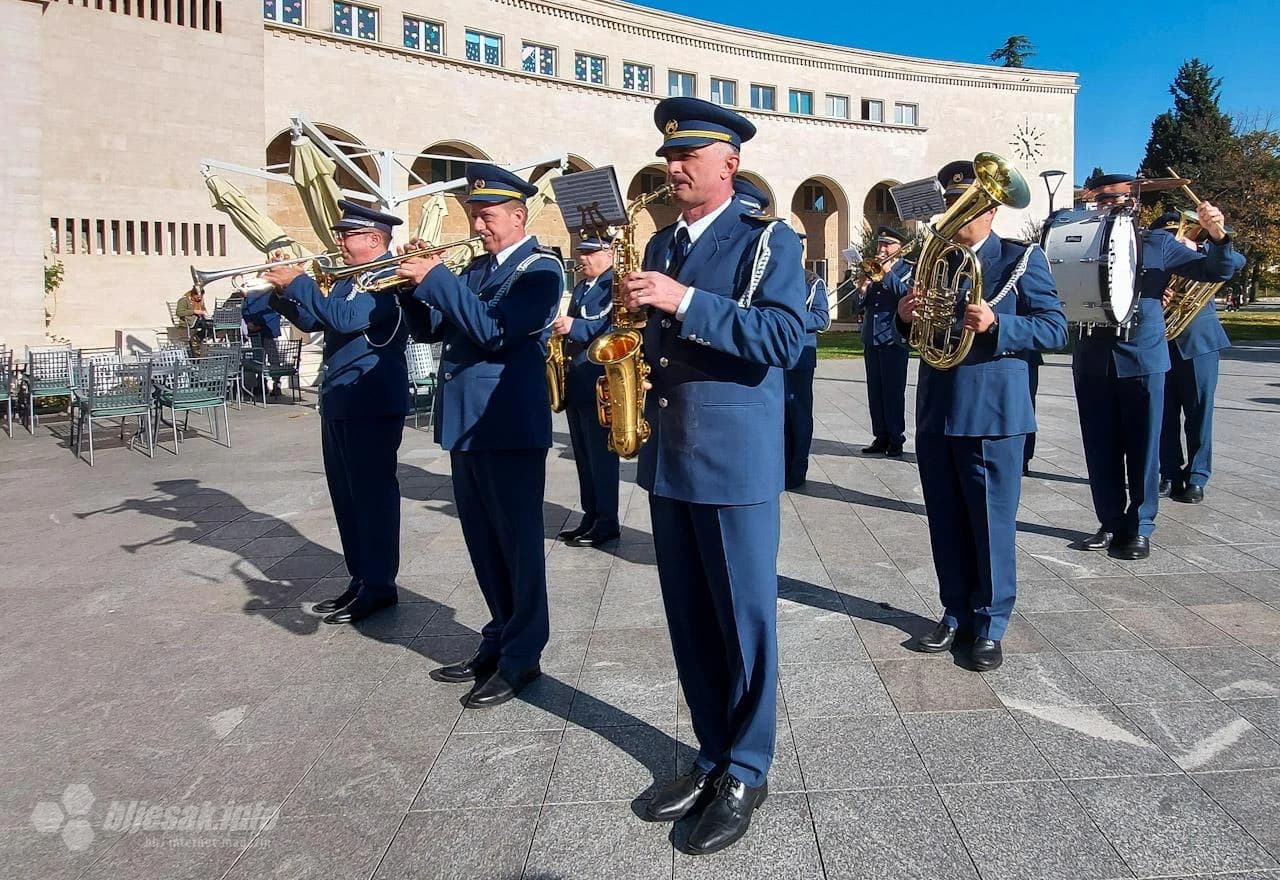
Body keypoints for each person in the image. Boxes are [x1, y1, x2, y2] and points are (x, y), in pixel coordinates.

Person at [619, 96, 806, 855]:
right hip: (671, 454)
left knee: (745, 621)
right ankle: (710, 752)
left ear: (729, 165)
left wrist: (686, 300)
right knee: (691, 618)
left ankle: (748, 767)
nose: (673, 166)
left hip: (732, 457)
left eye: (688, 157)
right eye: (668, 156)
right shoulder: (660, 241)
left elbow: (787, 337)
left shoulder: (769, 241)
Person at [395, 163, 563, 709]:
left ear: (519, 215)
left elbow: (494, 332)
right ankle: (498, 638)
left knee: (517, 546)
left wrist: (437, 279)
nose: (479, 225)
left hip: (509, 426)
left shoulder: (540, 271)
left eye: (487, 216)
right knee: (484, 545)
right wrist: (410, 286)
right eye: (474, 215)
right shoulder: (476, 270)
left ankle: (523, 657)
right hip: (467, 427)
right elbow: (435, 328)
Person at [898, 159, 1067, 672]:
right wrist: (906, 318)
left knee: (991, 524)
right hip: (938, 412)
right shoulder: (935, 260)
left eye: (965, 204)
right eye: (949, 202)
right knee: (945, 521)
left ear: (990, 210)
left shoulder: (1020, 258)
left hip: (994, 416)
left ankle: (991, 624)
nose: (953, 212)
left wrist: (1000, 323)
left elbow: (1056, 329)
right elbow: (923, 333)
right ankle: (955, 612)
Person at [1073, 173, 1241, 559]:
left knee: (1145, 447)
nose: (1105, 206)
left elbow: (1217, 271)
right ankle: (1110, 522)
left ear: (1132, 202)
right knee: (1100, 448)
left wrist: (1218, 238)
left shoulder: (1158, 243)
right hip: (1092, 361)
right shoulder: (1078, 243)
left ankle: (1141, 525)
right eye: (1099, 201)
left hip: (1143, 358)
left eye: (1114, 199)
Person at [262, 199, 410, 625]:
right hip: (342, 398)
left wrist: (301, 281)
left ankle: (381, 584)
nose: (339, 242)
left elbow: (346, 319)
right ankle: (361, 577)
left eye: (347, 235)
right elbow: (316, 322)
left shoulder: (387, 277)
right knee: (346, 496)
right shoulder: (352, 278)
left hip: (372, 399)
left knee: (372, 496)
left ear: (374, 239)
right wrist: (282, 290)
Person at [1156, 211, 1245, 504]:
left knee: (1199, 411)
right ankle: (1169, 472)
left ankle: (1197, 476)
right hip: (1159, 341)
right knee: (1163, 414)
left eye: (1181, 234)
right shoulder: (1155, 255)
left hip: (1198, 342)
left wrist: (1206, 246)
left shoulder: (1204, 254)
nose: (1178, 239)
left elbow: (1235, 262)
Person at [554, 235, 621, 548]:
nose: (582, 258)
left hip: (600, 383)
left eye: (590, 252)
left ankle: (607, 520)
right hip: (578, 380)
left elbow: (615, 329)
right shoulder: (582, 287)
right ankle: (590, 514)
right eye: (581, 252)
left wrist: (574, 327)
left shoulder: (615, 285)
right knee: (583, 454)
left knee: (601, 456)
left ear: (608, 253)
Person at [857, 227, 912, 457]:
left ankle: (896, 439)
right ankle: (880, 436)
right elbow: (861, 307)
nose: (881, 249)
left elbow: (907, 296)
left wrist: (888, 273)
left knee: (893, 392)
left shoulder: (907, 269)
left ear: (898, 247)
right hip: (872, 338)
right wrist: (862, 290)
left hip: (893, 340)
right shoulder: (872, 271)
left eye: (887, 244)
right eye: (880, 244)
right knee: (875, 391)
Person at [241, 290, 283, 398]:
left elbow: (277, 308)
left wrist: (251, 322)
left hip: (265, 327)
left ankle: (270, 384)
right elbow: (245, 307)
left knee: (267, 357)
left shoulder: (268, 291)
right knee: (262, 358)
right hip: (261, 327)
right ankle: (264, 384)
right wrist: (249, 322)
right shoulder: (256, 292)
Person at [175, 287, 214, 352]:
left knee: (214, 325)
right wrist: (194, 311)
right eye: (198, 297)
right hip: (189, 320)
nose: (200, 298)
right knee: (208, 325)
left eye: (201, 297)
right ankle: (197, 338)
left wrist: (204, 313)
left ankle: (197, 337)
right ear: (193, 294)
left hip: (200, 319)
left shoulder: (200, 301)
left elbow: (203, 308)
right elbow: (179, 313)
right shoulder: (184, 300)